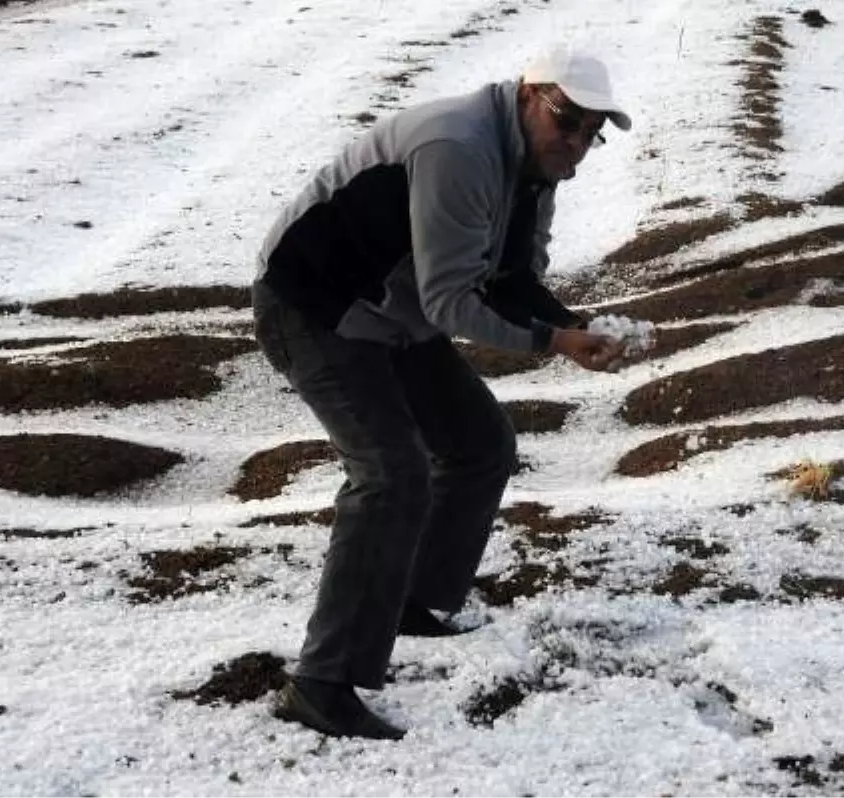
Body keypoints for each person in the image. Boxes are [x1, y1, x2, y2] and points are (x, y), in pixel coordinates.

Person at [251, 45, 632, 741]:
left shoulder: (534, 167)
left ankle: (413, 603)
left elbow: (511, 279)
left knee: (480, 445)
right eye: (567, 120)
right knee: (389, 474)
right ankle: (320, 684)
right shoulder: (458, 146)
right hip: (315, 306)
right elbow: (453, 299)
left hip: (392, 313)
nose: (577, 143)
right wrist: (552, 344)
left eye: (591, 131)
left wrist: (575, 325)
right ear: (527, 96)